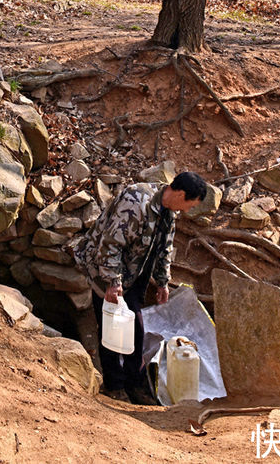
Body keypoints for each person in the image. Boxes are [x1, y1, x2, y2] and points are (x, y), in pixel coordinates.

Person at [74, 171, 207, 404]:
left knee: (135, 329)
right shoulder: (137, 201)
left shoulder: (169, 213)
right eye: (189, 204)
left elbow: (164, 249)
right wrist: (112, 283)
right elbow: (110, 244)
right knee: (111, 328)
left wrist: (163, 282)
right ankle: (115, 386)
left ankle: (135, 385)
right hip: (105, 272)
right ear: (181, 194)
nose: (187, 210)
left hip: (134, 275)